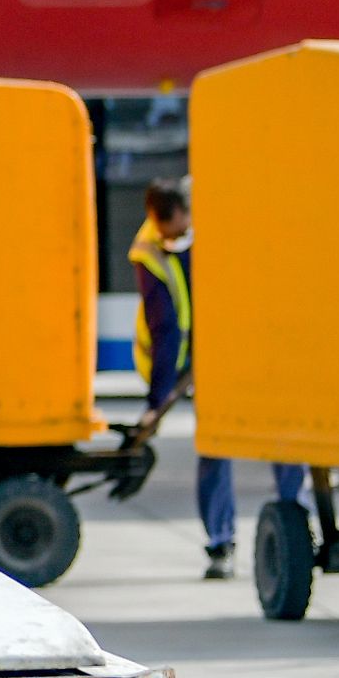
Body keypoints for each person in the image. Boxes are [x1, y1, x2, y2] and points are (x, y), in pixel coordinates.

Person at [129, 177, 301, 579]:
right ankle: (221, 543)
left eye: (184, 230)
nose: (179, 238)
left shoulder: (229, 222)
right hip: (212, 360)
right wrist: (158, 398)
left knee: (283, 439)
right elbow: (166, 328)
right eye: (172, 233)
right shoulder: (150, 251)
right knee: (218, 446)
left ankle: (294, 525)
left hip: (258, 348)